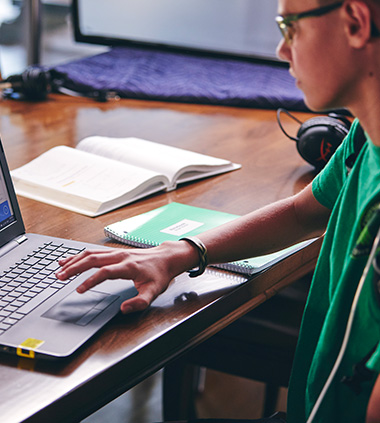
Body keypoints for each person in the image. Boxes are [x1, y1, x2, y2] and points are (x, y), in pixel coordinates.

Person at [57, 0, 380, 421]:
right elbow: (304, 212)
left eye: (291, 28)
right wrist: (180, 252)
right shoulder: (363, 134)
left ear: (355, 23)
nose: (282, 51)